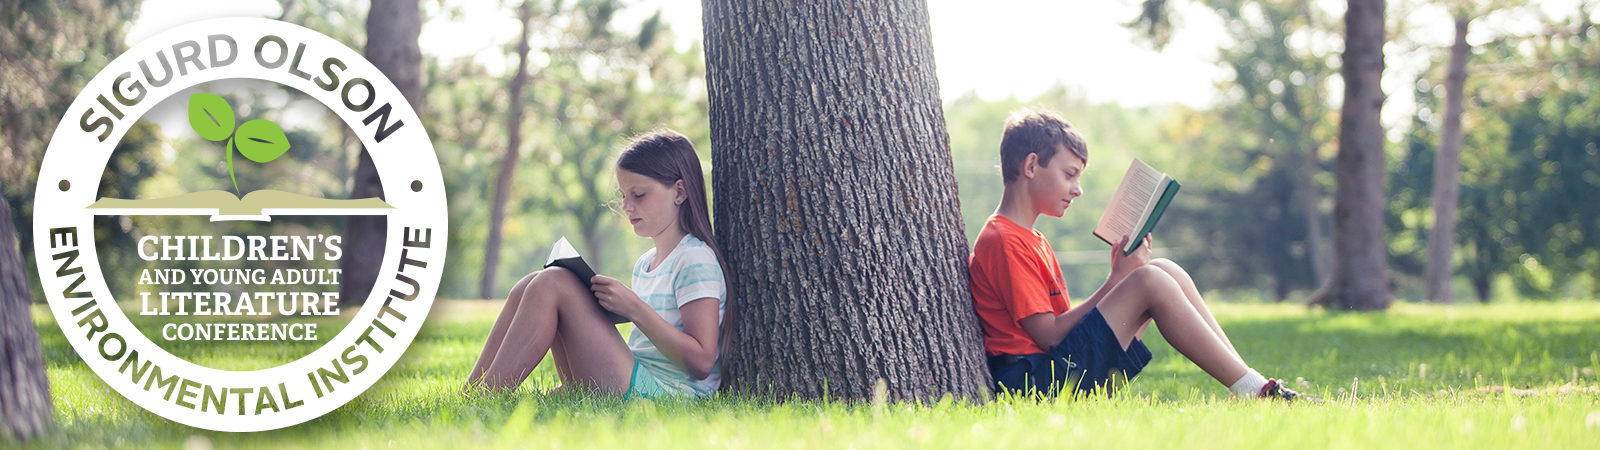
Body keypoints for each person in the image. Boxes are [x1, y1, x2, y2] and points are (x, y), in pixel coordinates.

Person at [967, 110, 1307, 400]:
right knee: (1148, 279)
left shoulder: (1030, 237)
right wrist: (1117, 280)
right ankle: (1258, 393)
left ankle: (1249, 385)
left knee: (1164, 270)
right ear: (1030, 166)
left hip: (1056, 369)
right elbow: (1050, 335)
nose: (1078, 189)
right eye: (1069, 174)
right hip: (1035, 384)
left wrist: (1120, 281)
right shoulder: (1004, 240)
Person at [465, 129, 727, 399]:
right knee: (529, 284)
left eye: (638, 195)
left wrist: (634, 308)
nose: (626, 206)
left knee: (553, 282)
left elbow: (702, 362)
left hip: (668, 394)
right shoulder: (646, 262)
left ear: (679, 192)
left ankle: (485, 396)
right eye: (623, 195)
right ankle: (472, 392)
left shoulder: (695, 258)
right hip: (638, 376)